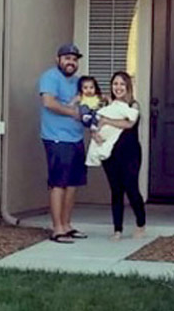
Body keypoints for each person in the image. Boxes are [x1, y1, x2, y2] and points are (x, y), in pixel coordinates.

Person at [38, 43, 90, 244]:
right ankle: (57, 228)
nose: (71, 62)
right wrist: (74, 113)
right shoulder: (50, 77)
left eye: (75, 59)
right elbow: (48, 102)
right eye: (67, 58)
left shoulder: (77, 82)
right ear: (58, 59)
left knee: (72, 184)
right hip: (56, 138)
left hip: (76, 138)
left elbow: (87, 103)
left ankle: (67, 225)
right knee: (58, 183)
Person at [96, 71, 147, 241]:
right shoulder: (106, 106)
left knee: (131, 188)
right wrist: (96, 134)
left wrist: (107, 121)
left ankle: (141, 224)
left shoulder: (133, 105)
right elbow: (95, 124)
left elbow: (129, 123)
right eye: (115, 84)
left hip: (130, 153)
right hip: (111, 153)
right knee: (116, 191)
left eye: (121, 84)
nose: (118, 87)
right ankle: (117, 229)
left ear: (128, 87)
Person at [73, 76, 106, 144]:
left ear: (95, 88)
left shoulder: (97, 96)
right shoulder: (81, 97)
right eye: (85, 88)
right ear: (81, 89)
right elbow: (71, 103)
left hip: (93, 116)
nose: (89, 90)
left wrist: (106, 100)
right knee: (84, 107)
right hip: (85, 117)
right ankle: (86, 116)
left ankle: (95, 129)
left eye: (91, 88)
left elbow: (106, 98)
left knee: (97, 111)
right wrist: (73, 102)